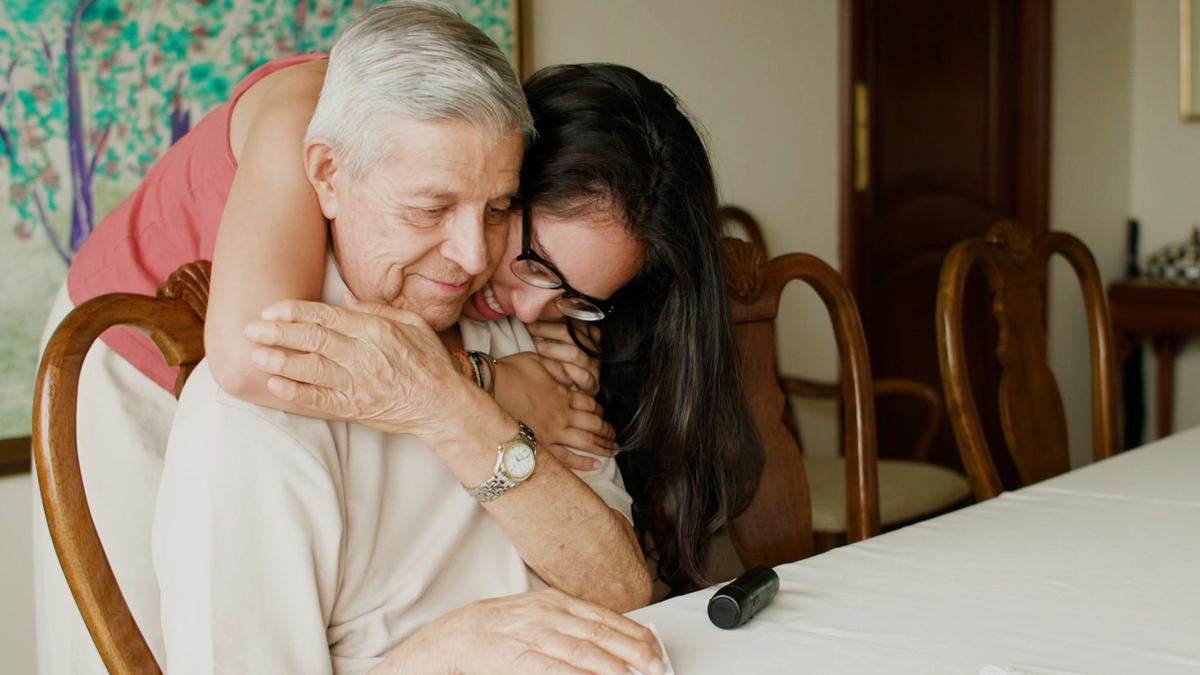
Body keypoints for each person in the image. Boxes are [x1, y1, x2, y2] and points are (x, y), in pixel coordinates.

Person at [37, 3, 659, 673]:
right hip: (128, 357)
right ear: (328, 176)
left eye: (500, 208)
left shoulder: (492, 307)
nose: (473, 254)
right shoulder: (264, 377)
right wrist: (474, 389)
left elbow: (622, 585)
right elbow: (251, 361)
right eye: (432, 208)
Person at [244, 63, 766, 594]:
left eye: (576, 297)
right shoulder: (322, 162)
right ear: (496, 182)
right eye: (535, 263)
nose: (533, 307)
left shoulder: (546, 337)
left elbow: (619, 582)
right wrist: (494, 384)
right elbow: (255, 361)